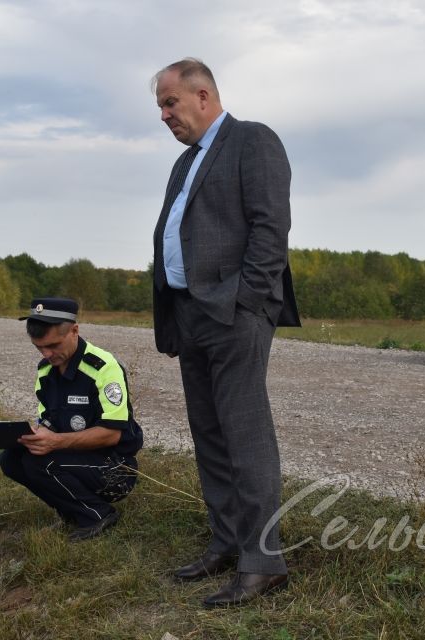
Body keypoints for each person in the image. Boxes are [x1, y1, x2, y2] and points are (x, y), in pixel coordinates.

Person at [150, 58, 300, 607]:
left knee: (244, 433)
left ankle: (264, 561)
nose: (164, 115)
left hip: (233, 312)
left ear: (204, 96)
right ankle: (228, 542)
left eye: (171, 103)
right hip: (190, 313)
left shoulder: (252, 141)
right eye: (161, 107)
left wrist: (247, 301)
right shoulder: (186, 162)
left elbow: (271, 226)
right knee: (209, 434)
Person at [0, 297, 143, 541]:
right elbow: (48, 420)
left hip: (116, 467)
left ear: (74, 330)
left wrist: (55, 442)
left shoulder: (103, 367)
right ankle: (71, 512)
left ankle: (98, 513)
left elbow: (113, 433)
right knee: (11, 459)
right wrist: (32, 436)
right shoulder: (45, 371)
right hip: (76, 457)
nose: (47, 354)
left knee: (39, 463)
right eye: (39, 347)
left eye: (53, 345)